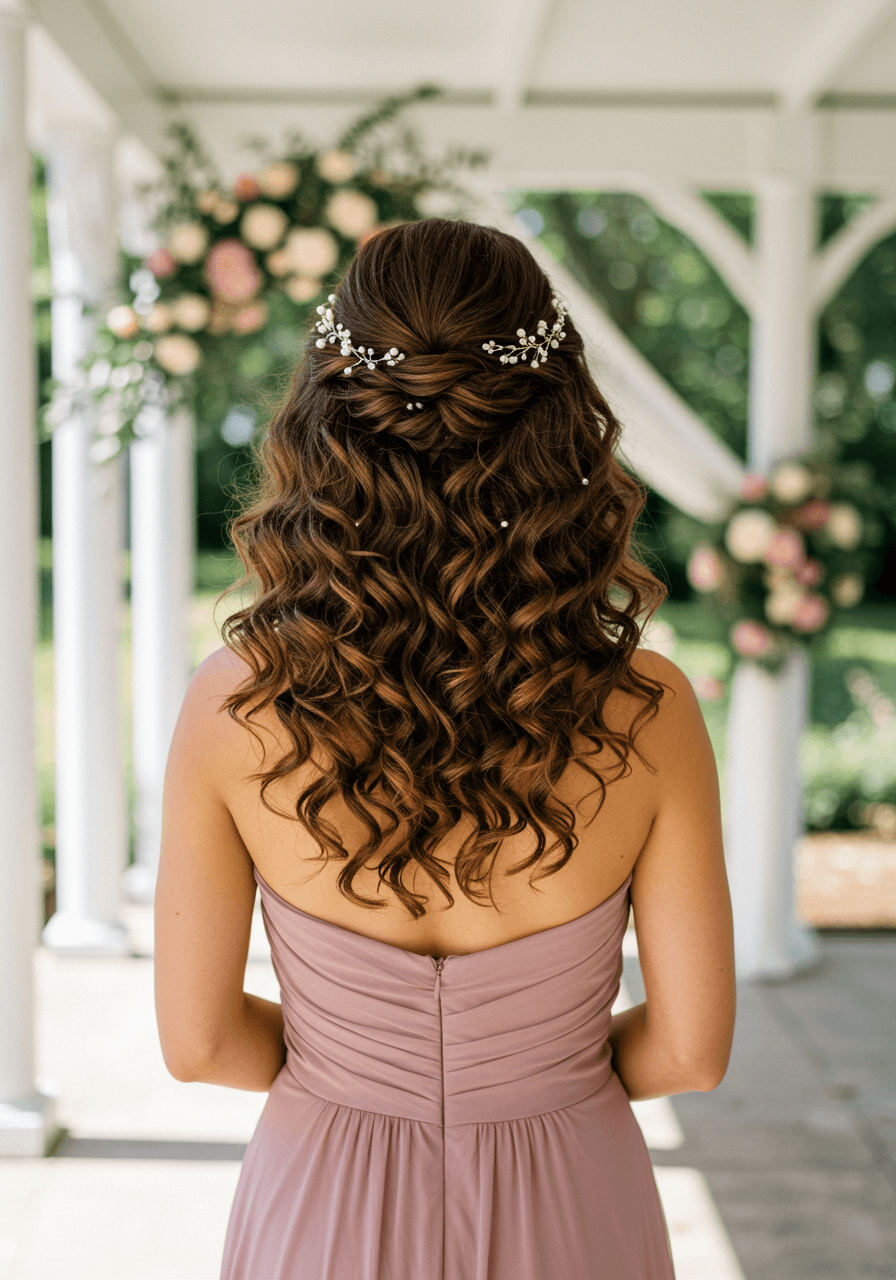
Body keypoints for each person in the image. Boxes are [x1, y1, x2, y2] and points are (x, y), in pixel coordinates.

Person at [154, 217, 736, 1280]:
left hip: (323, 1187)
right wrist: (532, 1074)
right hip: (573, 1186)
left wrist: (358, 1072)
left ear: (327, 422)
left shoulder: (233, 703)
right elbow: (690, 1049)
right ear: (558, 426)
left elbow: (198, 1044)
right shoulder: (651, 709)